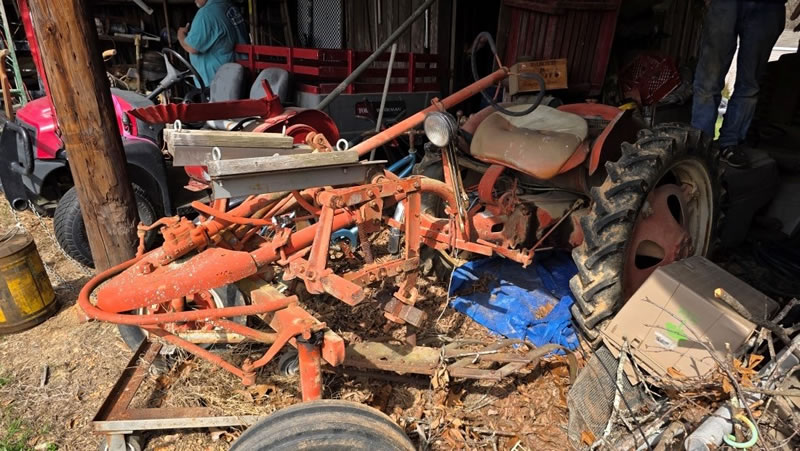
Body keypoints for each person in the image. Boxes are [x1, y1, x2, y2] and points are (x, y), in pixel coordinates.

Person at [691, 0, 790, 168]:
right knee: (709, 80)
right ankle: (701, 144)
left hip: (769, 6)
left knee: (749, 84)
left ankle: (729, 144)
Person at [177, 0, 249, 86]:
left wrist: (181, 36)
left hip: (217, 82)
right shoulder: (229, 6)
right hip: (238, 76)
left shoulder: (206, 13)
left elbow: (192, 48)